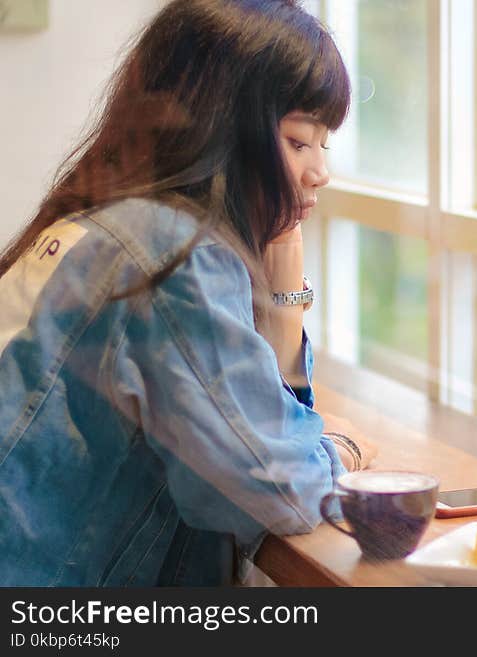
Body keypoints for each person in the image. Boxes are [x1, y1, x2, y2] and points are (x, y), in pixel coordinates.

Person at [0, 0, 377, 586]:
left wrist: (284, 300)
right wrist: (343, 453)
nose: (320, 172)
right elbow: (282, 490)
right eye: (299, 142)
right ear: (224, 130)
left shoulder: (104, 220)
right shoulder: (171, 255)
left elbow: (249, 456)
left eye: (323, 145)